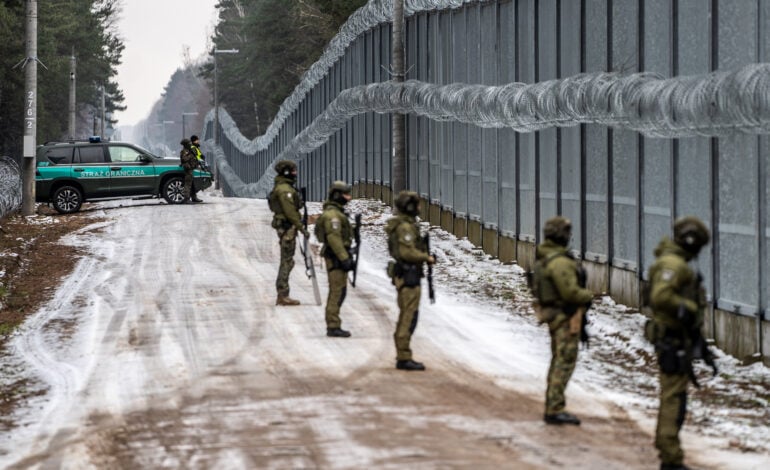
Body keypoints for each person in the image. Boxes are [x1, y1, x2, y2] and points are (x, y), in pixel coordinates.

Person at [646, 216, 711, 470]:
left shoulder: (675, 262)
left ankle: (669, 452)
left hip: (676, 338)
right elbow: (661, 296)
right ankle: (670, 456)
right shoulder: (673, 264)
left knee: (675, 396)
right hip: (671, 339)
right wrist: (688, 307)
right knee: (673, 398)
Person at [531, 216, 593, 425]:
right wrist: (587, 296)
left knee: (559, 359)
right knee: (564, 361)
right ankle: (555, 408)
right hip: (564, 316)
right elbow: (570, 293)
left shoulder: (547, 257)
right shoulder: (560, 262)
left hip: (555, 315)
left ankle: (553, 404)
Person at [385, 191, 435, 371]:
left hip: (409, 273)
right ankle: (403, 356)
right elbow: (407, 252)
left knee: (409, 315)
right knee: (408, 316)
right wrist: (426, 257)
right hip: (408, 274)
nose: (420, 208)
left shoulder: (407, 225)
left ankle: (404, 353)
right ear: (410, 206)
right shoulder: (405, 228)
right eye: (417, 204)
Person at [315, 181, 355, 338]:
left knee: (340, 291)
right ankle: (332, 324)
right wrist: (345, 258)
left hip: (337, 255)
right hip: (335, 256)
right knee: (337, 291)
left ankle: (334, 322)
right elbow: (334, 239)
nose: (349, 198)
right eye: (346, 194)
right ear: (338, 195)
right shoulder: (333, 216)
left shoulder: (336, 213)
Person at [269, 159, 308, 306]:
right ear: (286, 172)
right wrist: (301, 227)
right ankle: (282, 293)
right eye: (293, 171)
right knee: (287, 261)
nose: (295, 173)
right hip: (287, 227)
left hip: (285, 226)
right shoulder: (285, 190)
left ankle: (283, 293)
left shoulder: (283, 187)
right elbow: (290, 211)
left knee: (287, 260)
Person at [179, 139, 200, 204]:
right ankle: (186, 198)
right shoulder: (184, 151)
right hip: (188, 170)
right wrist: (190, 154)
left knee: (192, 184)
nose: (190, 144)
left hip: (192, 169)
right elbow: (184, 159)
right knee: (188, 184)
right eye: (189, 143)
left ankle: (194, 197)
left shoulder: (190, 150)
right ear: (186, 144)